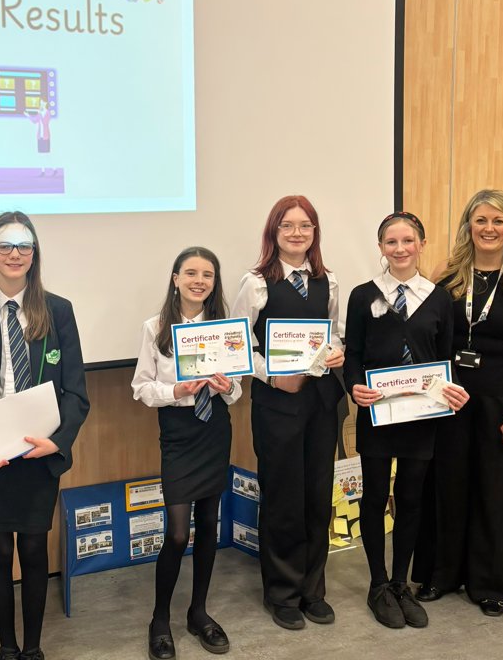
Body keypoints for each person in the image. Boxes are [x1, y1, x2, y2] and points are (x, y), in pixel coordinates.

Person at [0, 211, 90, 660]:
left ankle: (33, 648)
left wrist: (58, 441)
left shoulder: (57, 309)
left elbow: (76, 393)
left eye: (23, 245)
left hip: (37, 453)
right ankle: (6, 647)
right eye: (5, 245)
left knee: (32, 545)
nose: (14, 254)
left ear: (34, 253)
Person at [413, 190, 503, 616]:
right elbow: (428, 337)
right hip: (450, 398)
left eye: (498, 220)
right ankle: (441, 574)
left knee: (495, 491)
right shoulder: (447, 272)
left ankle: (491, 584)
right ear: (468, 225)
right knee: (446, 486)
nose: (488, 228)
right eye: (480, 220)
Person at [344, 211, 468, 630]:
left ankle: (401, 583)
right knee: (375, 497)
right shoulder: (363, 295)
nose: (400, 249)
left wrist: (450, 389)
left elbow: (446, 357)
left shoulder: (439, 298)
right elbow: (354, 355)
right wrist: (354, 387)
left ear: (422, 244)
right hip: (377, 414)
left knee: (412, 499)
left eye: (408, 241)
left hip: (421, 416)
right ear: (380, 248)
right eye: (391, 242)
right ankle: (377, 584)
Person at [229, 195, 345, 631]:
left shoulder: (328, 281)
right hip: (277, 403)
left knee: (318, 496)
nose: (297, 233)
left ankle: (313, 589)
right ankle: (282, 592)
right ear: (273, 232)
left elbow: (336, 333)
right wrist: (272, 378)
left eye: (306, 226)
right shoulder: (256, 282)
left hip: (320, 402)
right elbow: (239, 345)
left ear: (315, 233)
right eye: (287, 226)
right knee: (282, 498)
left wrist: (337, 353)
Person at [132, 247, 240, 659]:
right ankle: (160, 619)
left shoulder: (226, 328)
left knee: (209, 527)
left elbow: (237, 392)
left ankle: (199, 613)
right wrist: (175, 391)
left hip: (215, 430)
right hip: (178, 434)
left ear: (214, 283)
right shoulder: (156, 327)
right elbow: (141, 388)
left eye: (208, 274)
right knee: (177, 534)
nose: (199, 280)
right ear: (175, 278)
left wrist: (228, 386)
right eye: (191, 273)